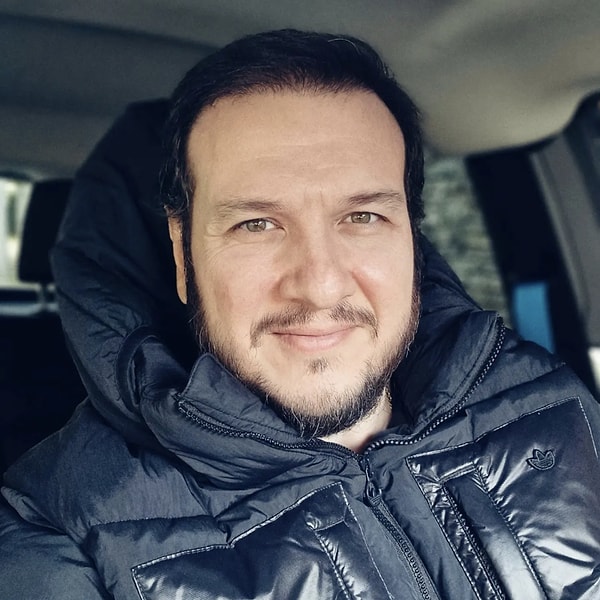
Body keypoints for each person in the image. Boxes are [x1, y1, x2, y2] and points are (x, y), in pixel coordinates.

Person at [1, 29, 600, 600]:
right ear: (184, 256)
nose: (319, 285)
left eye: (362, 217)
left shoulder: (556, 405)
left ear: (411, 239)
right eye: (257, 224)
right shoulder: (59, 537)